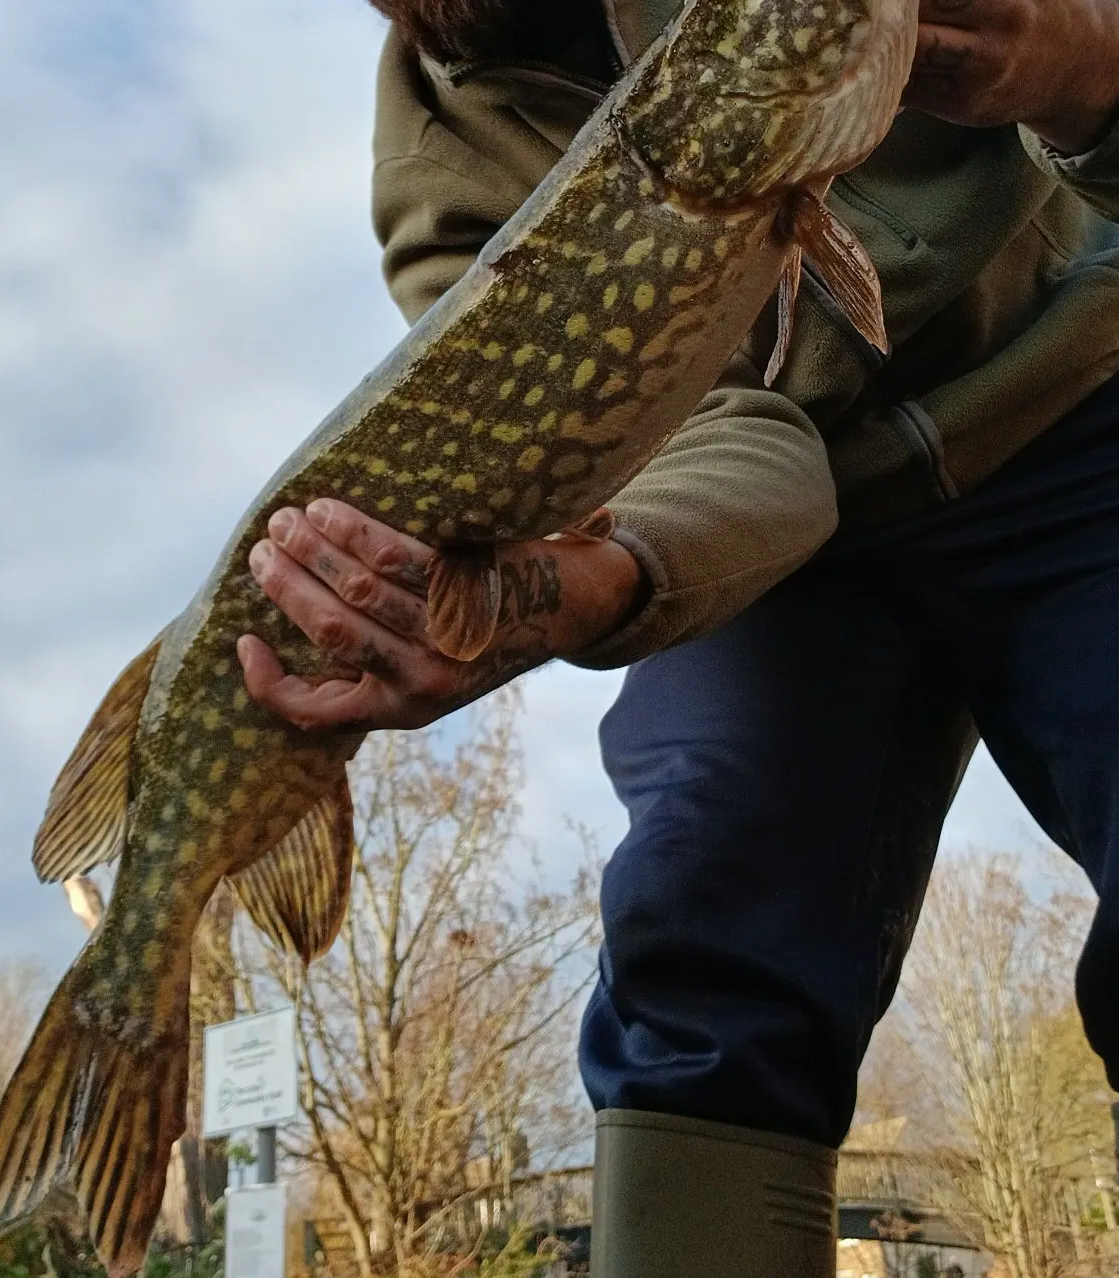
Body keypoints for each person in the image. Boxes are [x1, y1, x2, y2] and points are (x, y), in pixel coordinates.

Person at [236, 0, 1119, 1273]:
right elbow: (734, 446)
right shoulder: (453, 168)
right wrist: (583, 582)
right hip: (770, 543)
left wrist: (1086, 65)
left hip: (1081, 400)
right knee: (700, 950)